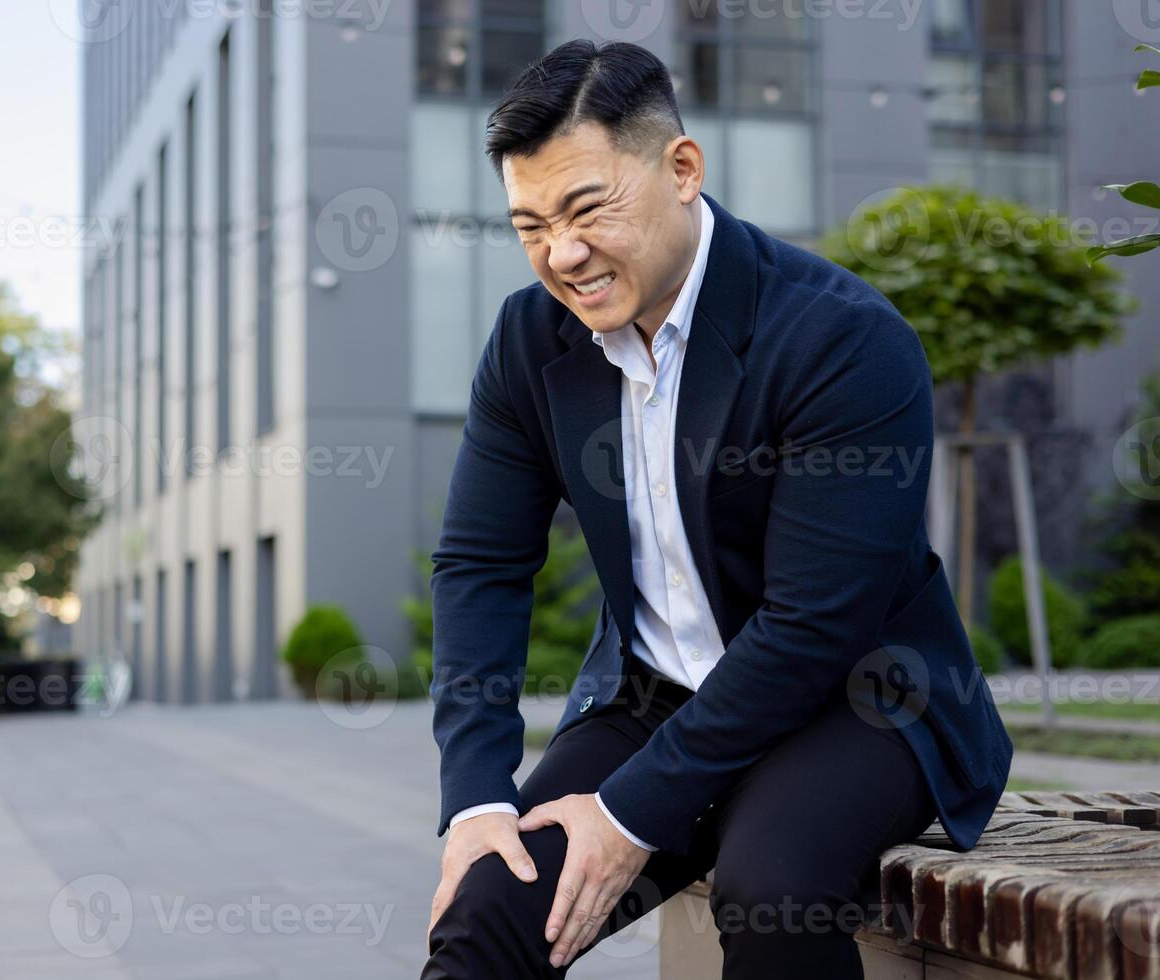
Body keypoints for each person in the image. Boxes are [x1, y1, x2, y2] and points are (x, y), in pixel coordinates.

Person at [421, 38, 1012, 980]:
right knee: (490, 901)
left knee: (770, 887)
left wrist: (625, 814)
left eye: (585, 208)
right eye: (529, 225)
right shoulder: (529, 341)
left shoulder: (841, 339)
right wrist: (475, 800)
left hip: (852, 698)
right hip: (651, 695)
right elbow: (480, 566)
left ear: (681, 169)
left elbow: (817, 623)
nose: (560, 255)